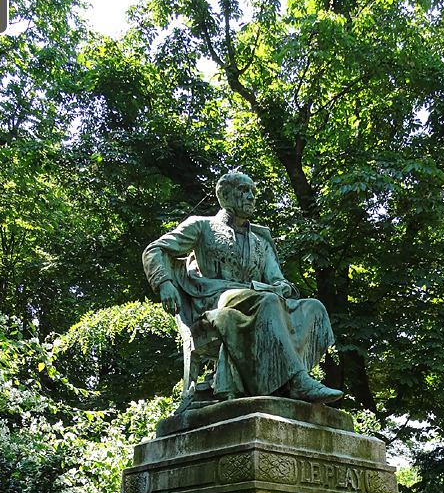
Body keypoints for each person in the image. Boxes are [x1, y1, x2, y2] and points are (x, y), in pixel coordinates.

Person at [142, 171, 342, 404]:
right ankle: (297, 381)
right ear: (225, 196)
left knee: (314, 308)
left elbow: (278, 280)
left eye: (253, 193)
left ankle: (284, 379)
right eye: (243, 191)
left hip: (259, 299)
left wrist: (282, 287)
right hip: (215, 300)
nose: (251, 197)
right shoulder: (202, 226)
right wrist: (163, 283)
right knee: (266, 301)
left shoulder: (260, 241)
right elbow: (154, 250)